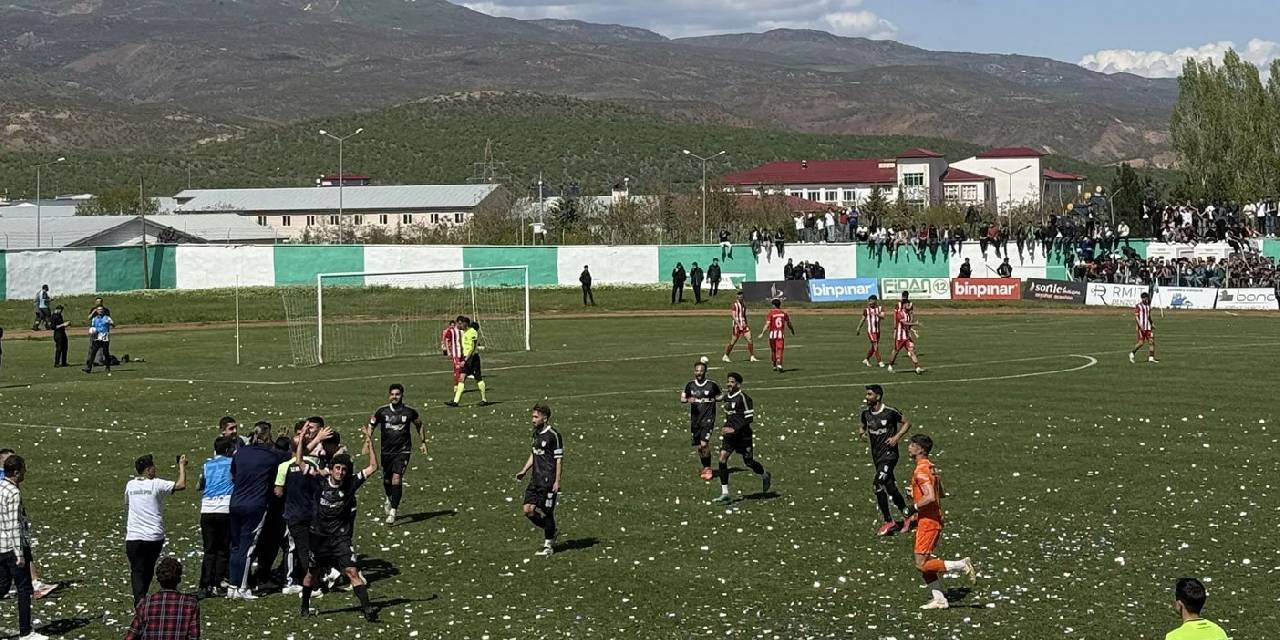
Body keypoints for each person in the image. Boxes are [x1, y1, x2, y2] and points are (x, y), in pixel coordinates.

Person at [298, 424, 379, 622]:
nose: (341, 472)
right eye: (338, 468)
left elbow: (373, 467)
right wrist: (301, 438)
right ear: (331, 469)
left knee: (352, 571)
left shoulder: (351, 483)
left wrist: (369, 440)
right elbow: (299, 461)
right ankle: (305, 605)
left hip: (340, 537)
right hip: (319, 537)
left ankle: (367, 609)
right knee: (313, 572)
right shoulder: (319, 480)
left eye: (344, 469)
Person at [908, 434, 975, 610]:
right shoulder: (931, 468)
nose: (909, 447)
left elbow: (930, 497)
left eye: (912, 445)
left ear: (920, 449)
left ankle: (960, 565)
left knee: (921, 563)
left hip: (929, 521)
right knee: (925, 562)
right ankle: (939, 599)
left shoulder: (921, 470)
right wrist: (915, 491)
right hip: (932, 519)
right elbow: (941, 492)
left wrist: (914, 506)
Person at [227, 422, 287, 600]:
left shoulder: (240, 453)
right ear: (268, 437)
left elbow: (233, 475)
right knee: (248, 547)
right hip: (256, 505)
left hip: (235, 502)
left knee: (236, 546)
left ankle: (233, 584)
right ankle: (243, 587)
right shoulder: (271, 456)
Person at [125, 453, 187, 607]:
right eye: (153, 467)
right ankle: (141, 600)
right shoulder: (156, 484)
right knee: (148, 569)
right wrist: (181, 466)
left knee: (137, 570)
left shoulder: (130, 485)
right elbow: (181, 485)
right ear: (148, 470)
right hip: (153, 536)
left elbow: (127, 502)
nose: (155, 470)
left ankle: (139, 601)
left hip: (133, 536)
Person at [274, 422, 327, 596]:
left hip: (293, 512)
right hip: (311, 511)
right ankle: (320, 577)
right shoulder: (313, 463)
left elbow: (278, 492)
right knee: (312, 548)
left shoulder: (284, 467)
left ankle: (294, 580)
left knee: (294, 548)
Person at [0, 455, 47, 640]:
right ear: (17, 471)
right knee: (24, 589)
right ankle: (26, 631)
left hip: (0, 546)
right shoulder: (13, 492)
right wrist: (19, 554)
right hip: (12, 548)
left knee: (3, 587)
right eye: (24, 469)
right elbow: (13, 525)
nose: (26, 472)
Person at [859, 385, 915, 535]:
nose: (866, 397)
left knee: (877, 485)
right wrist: (862, 433)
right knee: (891, 488)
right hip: (877, 457)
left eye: (869, 395)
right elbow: (863, 425)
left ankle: (888, 521)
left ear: (878, 396)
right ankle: (908, 515)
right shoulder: (866, 414)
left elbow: (907, 423)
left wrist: (897, 437)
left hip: (889, 456)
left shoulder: (890, 412)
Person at [370, 383, 424, 524]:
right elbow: (371, 426)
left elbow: (419, 424)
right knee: (387, 480)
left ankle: (393, 512)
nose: (394, 397)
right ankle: (389, 497)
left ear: (402, 395)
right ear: (389, 395)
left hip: (403, 450)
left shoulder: (409, 412)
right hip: (386, 451)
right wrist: (367, 441)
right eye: (392, 394)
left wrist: (423, 442)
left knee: (397, 478)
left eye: (397, 394)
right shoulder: (381, 412)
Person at [712, 372, 771, 502]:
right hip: (730, 437)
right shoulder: (728, 397)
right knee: (722, 459)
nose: (729, 384)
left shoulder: (744, 398)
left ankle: (765, 475)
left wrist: (734, 429)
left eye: (732, 382)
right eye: (728, 381)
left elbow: (749, 419)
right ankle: (725, 492)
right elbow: (720, 398)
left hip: (743, 436)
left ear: (738, 384)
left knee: (749, 462)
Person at [516, 403, 562, 556]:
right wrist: (524, 470)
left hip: (548, 481)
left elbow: (559, 460)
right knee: (528, 510)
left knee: (547, 512)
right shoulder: (536, 433)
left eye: (536, 417)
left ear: (545, 418)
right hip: (535, 479)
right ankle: (551, 531)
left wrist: (557, 481)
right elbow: (534, 453)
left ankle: (548, 546)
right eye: (532, 416)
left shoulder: (554, 435)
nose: (532, 420)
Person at [125, 557, 200, 640]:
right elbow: (194, 636)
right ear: (178, 579)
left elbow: (131, 636)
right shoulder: (190, 604)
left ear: (159, 579)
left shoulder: (146, 603)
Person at [197, 437, 235, 599]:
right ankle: (219, 582)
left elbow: (200, 485)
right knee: (223, 549)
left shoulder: (207, 465)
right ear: (228, 451)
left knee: (209, 549)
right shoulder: (233, 463)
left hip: (207, 509)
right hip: (224, 508)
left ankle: (205, 584)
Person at [681, 361, 723, 481]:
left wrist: (714, 399)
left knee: (704, 444)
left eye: (701, 370)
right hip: (695, 420)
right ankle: (705, 467)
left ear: (705, 372)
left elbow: (720, 395)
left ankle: (708, 469)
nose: (699, 373)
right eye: (697, 370)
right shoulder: (689, 385)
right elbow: (683, 398)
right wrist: (688, 399)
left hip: (708, 418)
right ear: (694, 372)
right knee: (699, 447)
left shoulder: (712, 385)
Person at [447, 317, 490, 407]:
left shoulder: (473, 332)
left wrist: (465, 360)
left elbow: (473, 348)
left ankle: (484, 399)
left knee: (478, 378)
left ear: (465, 323)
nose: (459, 325)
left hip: (473, 358)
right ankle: (455, 401)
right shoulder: (465, 332)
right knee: (462, 378)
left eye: (460, 323)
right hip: (467, 358)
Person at [887, 292, 923, 375]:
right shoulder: (900, 313)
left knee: (912, 350)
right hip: (900, 336)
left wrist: (911, 328)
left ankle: (917, 367)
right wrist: (915, 324)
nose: (909, 306)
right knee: (896, 351)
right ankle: (890, 365)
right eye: (907, 305)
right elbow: (905, 323)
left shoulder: (908, 314)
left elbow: (909, 320)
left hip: (906, 336)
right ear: (903, 306)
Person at [758, 299, 795, 373]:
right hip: (780, 335)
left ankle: (774, 364)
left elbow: (767, 324)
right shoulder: (783, 313)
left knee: (773, 350)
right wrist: (792, 330)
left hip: (772, 335)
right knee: (780, 349)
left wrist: (762, 333)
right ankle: (779, 364)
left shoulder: (771, 313)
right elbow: (789, 323)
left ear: (773, 305)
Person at [722, 291, 759, 363]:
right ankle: (726, 355)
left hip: (744, 325)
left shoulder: (744, 305)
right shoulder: (735, 305)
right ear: (737, 297)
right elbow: (733, 316)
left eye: (742, 297)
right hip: (737, 326)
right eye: (739, 297)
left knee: (750, 339)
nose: (741, 298)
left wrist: (746, 323)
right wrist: (739, 325)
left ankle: (752, 356)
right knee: (733, 341)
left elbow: (744, 315)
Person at [855, 295, 886, 368]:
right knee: (875, 345)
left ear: (875, 301)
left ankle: (866, 359)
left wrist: (877, 314)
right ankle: (880, 361)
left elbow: (883, 317)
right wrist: (858, 328)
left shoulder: (880, 308)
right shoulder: (866, 310)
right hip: (871, 331)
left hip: (878, 331)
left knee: (873, 347)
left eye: (871, 301)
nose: (870, 303)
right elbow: (862, 319)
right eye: (869, 301)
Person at [83, 305, 115, 374]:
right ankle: (89, 367)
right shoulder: (94, 319)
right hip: (97, 338)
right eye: (99, 309)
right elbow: (93, 328)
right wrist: (92, 331)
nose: (100, 311)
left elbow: (113, 325)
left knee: (106, 353)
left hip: (105, 338)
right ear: (97, 311)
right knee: (93, 352)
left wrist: (111, 324)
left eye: (101, 309)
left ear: (103, 311)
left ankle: (107, 366)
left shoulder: (107, 318)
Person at [1130, 291, 1159, 364]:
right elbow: (1136, 316)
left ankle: (1151, 358)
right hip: (1141, 328)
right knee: (1141, 343)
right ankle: (1132, 353)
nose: (1145, 300)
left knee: (1151, 342)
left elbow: (1148, 316)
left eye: (1145, 298)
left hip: (1148, 327)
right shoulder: (1138, 306)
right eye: (1143, 298)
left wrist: (1152, 323)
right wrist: (1139, 325)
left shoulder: (1148, 306)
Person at [442, 318, 464, 399]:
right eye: (460, 323)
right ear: (457, 323)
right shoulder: (451, 331)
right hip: (455, 353)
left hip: (462, 353)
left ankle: (458, 385)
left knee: (460, 369)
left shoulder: (462, 331)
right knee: (458, 369)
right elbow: (447, 340)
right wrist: (448, 351)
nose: (461, 325)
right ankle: (457, 386)